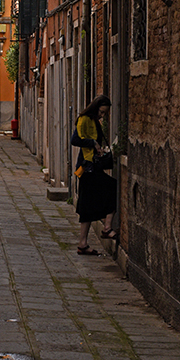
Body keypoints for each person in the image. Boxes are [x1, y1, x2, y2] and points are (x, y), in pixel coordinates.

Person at [72, 94, 117, 254]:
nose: (102, 115)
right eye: (101, 112)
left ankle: (83, 243)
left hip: (92, 166)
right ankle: (106, 227)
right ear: (96, 107)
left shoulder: (94, 122)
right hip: (86, 167)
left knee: (88, 204)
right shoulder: (84, 119)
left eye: (104, 113)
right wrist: (93, 143)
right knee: (110, 186)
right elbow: (75, 140)